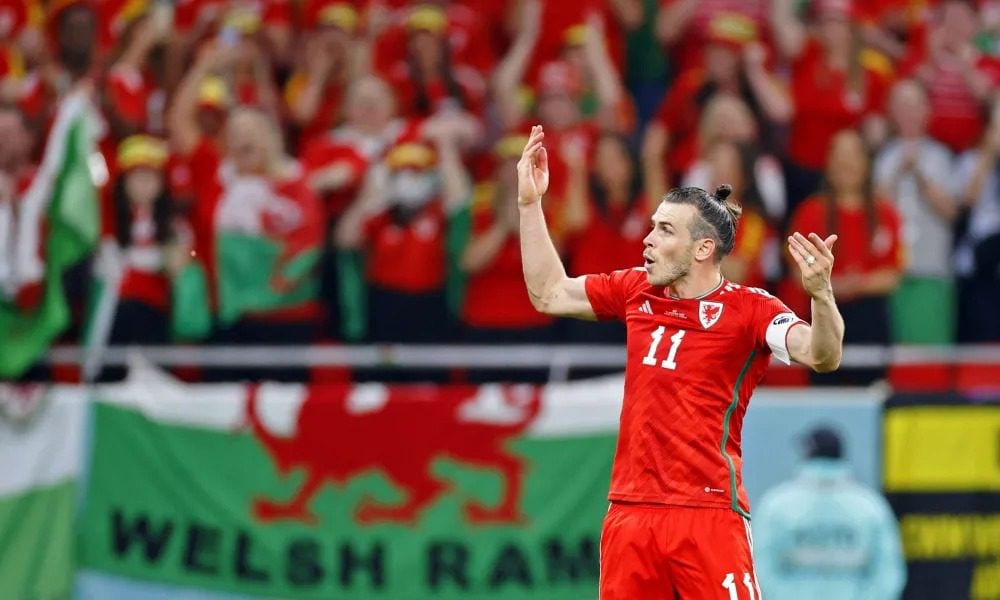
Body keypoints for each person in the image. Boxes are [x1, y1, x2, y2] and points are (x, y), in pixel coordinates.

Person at [516, 124, 845, 599]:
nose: (648, 239)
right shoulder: (637, 289)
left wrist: (821, 296)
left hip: (708, 513)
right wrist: (530, 204)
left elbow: (821, 354)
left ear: (703, 248)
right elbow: (549, 293)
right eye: (652, 225)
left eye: (665, 229)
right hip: (631, 512)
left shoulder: (750, 310)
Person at [754, 426, 907, 600]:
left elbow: (760, 569)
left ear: (806, 454)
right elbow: (888, 575)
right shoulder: (870, 506)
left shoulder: (777, 505)